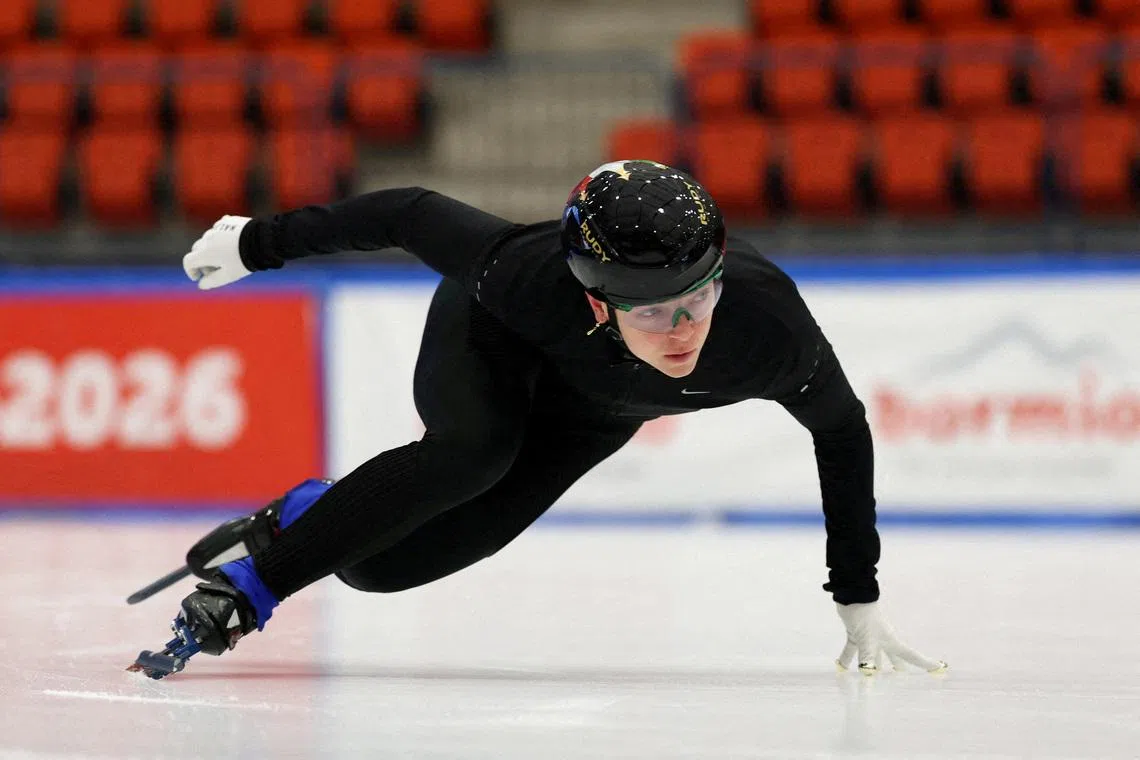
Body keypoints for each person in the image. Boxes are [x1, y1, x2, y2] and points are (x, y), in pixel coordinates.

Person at [167, 160, 946, 676]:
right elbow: (410, 213)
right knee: (474, 452)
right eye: (652, 311)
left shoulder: (769, 332)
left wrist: (857, 593)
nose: (684, 331)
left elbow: (842, 433)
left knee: (379, 567)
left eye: (699, 299)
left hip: (596, 411)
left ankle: (308, 510)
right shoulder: (524, 273)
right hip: (494, 342)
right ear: (595, 299)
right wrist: (255, 243)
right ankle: (254, 579)